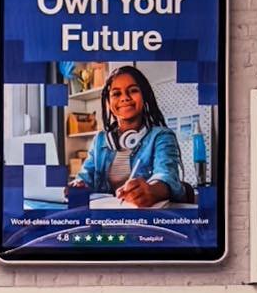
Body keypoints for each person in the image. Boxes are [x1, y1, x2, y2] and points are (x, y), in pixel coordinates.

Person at [70, 63, 191, 210]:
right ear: (108, 102)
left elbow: (166, 176)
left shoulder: (162, 136)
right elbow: (86, 178)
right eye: (116, 94)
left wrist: (151, 190)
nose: (125, 98)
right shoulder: (100, 140)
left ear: (144, 96)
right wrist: (78, 185)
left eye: (133, 90)